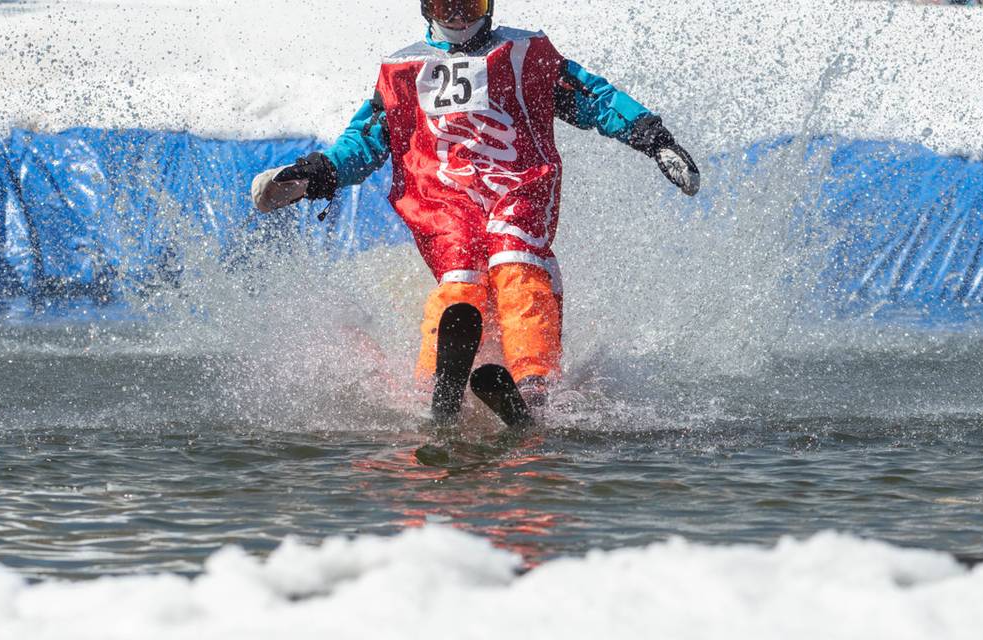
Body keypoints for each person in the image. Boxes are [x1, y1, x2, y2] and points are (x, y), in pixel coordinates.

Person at [250, 0, 700, 408]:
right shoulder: (403, 69)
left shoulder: (526, 52)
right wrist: (314, 175)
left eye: (471, 4)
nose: (461, 18)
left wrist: (655, 139)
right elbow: (363, 142)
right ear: (427, 8)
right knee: (461, 276)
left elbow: (594, 99)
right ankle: (434, 388)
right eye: (448, 7)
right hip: (445, 196)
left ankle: (534, 381)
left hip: (518, 185)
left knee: (514, 259)